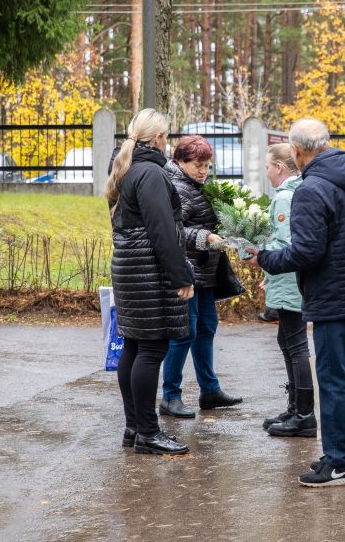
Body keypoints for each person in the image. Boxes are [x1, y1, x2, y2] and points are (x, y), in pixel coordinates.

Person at [244, 118, 345, 487]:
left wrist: (264, 258)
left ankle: (340, 463)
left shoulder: (311, 189)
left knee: (335, 379)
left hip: (332, 294)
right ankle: (344, 453)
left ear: (298, 152)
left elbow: (306, 252)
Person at [106, 108, 195, 456]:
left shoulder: (127, 168)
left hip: (130, 267)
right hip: (149, 271)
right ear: (157, 139)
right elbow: (162, 230)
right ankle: (147, 431)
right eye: (166, 136)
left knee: (134, 345)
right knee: (152, 348)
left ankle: (134, 427)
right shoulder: (151, 173)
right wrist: (180, 274)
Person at [159, 136, 242, 419]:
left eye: (207, 165)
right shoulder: (177, 187)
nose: (203, 170)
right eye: (198, 165)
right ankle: (170, 396)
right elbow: (172, 230)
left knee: (207, 326)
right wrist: (205, 236)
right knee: (184, 333)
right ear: (181, 161)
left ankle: (210, 390)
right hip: (187, 271)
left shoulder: (197, 184)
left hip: (205, 270)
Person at [260, 143, 316, 438]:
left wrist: (257, 251)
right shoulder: (300, 189)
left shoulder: (285, 196)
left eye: (268, 166)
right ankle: (296, 406)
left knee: (295, 344)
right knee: (288, 339)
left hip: (288, 278)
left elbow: (285, 243)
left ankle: (304, 413)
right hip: (290, 277)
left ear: (279, 168)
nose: (266, 172)